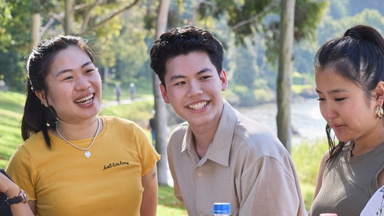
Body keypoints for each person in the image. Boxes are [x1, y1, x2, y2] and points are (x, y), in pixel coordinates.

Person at [149, 25, 306, 216]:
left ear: (223, 80)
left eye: (204, 77)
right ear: (164, 93)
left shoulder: (258, 153)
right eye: (180, 82)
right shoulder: (177, 144)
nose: (195, 91)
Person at [5, 35, 160, 216]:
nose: (84, 85)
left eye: (88, 71)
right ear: (43, 96)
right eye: (68, 77)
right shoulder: (26, 159)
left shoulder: (133, 135)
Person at [309, 25, 384, 216]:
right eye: (321, 98)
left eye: (339, 98)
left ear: (378, 94)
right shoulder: (330, 160)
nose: (328, 112)